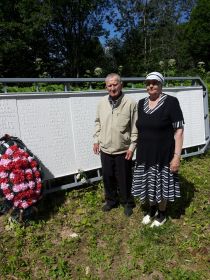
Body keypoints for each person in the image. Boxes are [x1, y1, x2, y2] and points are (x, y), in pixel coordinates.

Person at [132, 72, 184, 227]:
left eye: (155, 83)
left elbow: (179, 130)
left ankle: (162, 214)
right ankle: (152, 209)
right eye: (148, 83)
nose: (151, 85)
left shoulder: (171, 102)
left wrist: (176, 156)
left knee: (161, 185)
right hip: (145, 154)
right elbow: (138, 128)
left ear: (161, 85)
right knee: (149, 184)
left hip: (163, 155)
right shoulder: (141, 104)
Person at [93, 73, 138, 216]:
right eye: (109, 85)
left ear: (121, 85)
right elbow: (97, 123)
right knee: (107, 176)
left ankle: (127, 203)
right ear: (106, 87)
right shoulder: (101, 103)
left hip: (123, 150)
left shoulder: (130, 103)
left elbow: (136, 127)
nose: (113, 88)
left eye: (115, 84)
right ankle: (111, 201)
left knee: (124, 178)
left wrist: (132, 147)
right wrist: (96, 140)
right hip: (105, 149)